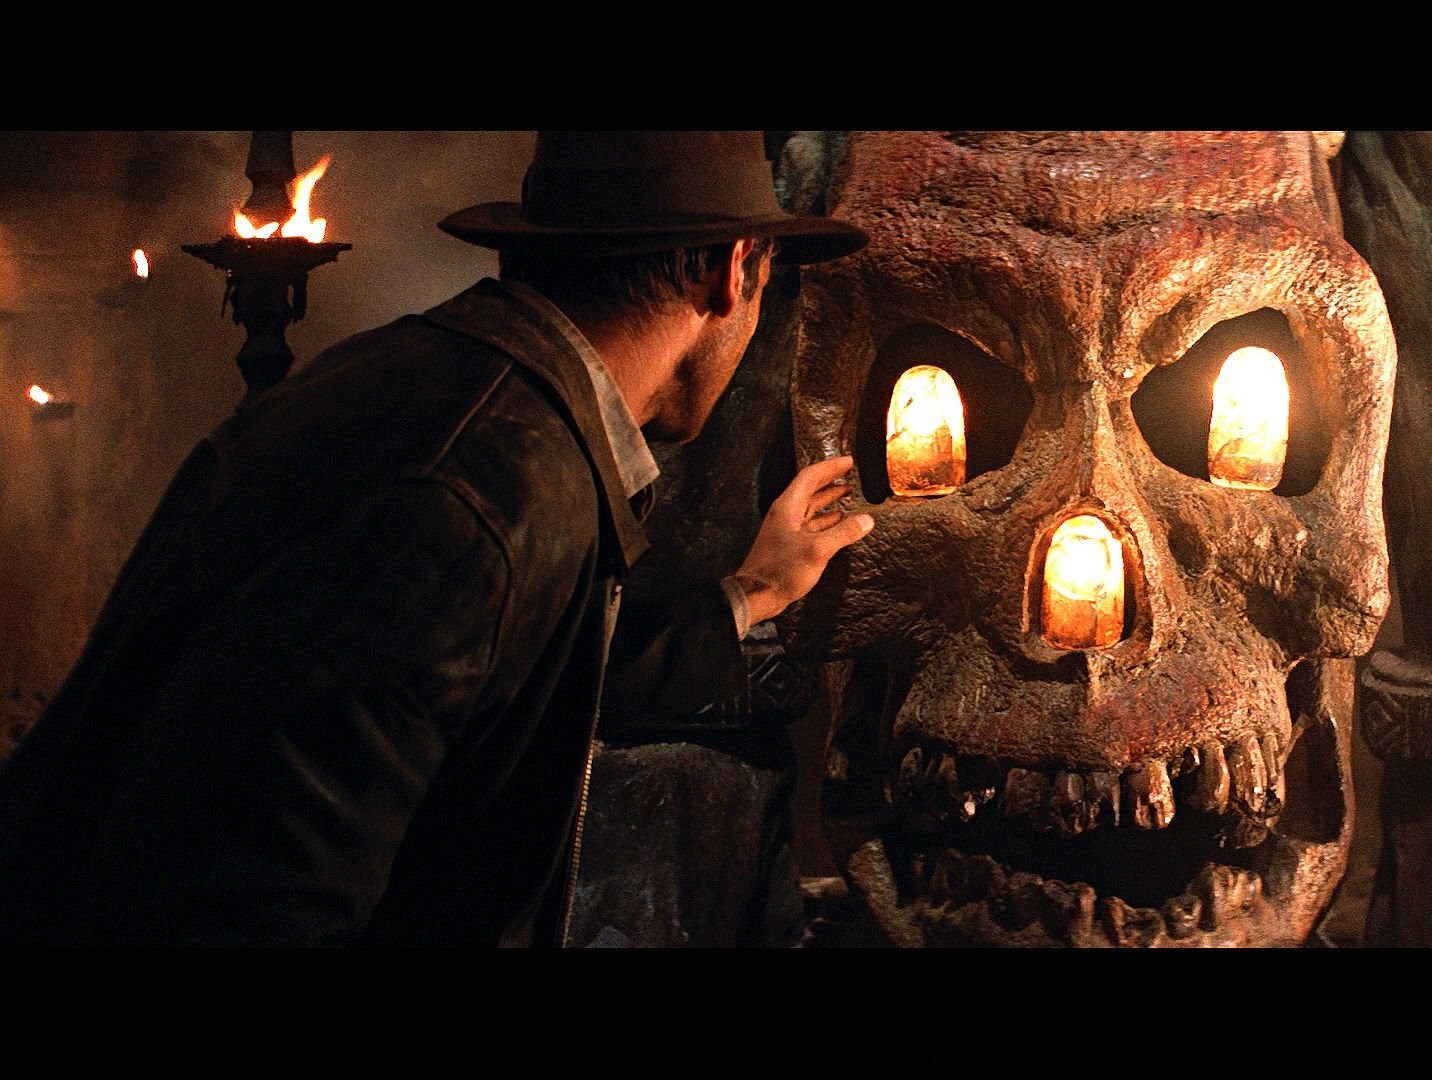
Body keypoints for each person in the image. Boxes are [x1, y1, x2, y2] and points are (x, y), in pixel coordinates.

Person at [0, 130, 873, 947]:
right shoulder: (473, 489)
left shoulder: (453, 396)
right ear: (731, 272)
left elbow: (527, 668)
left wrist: (756, 591)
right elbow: (260, 901)